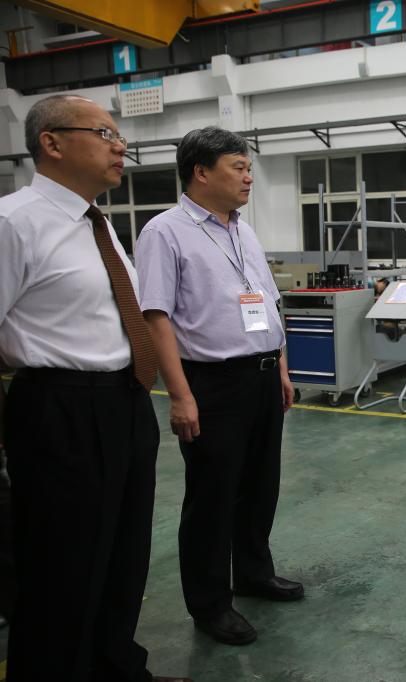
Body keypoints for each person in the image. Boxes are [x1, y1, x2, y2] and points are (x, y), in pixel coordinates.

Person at [0, 94, 189, 681]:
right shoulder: (13, 223)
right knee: (62, 567)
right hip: (59, 409)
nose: (120, 145)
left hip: (124, 402)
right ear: (51, 143)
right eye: (105, 133)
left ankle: (115, 667)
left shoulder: (97, 224)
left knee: (123, 555)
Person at [134, 127, 302, 646]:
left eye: (249, 167)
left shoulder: (243, 231)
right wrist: (181, 395)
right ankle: (209, 603)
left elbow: (268, 304)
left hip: (261, 375)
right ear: (201, 172)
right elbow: (156, 317)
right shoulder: (164, 232)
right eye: (239, 167)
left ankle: (253, 573)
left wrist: (281, 369)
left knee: (260, 485)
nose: (249, 177)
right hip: (212, 382)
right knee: (213, 496)